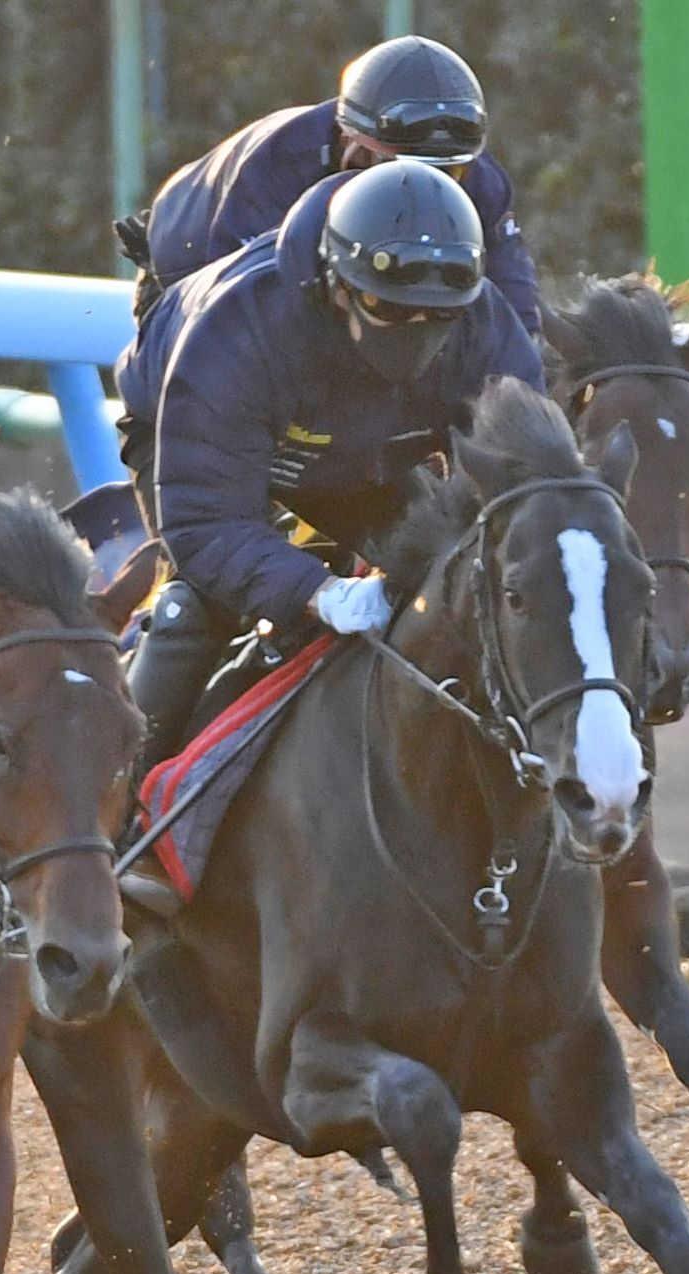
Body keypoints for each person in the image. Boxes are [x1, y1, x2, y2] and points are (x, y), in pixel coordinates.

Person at [115, 159, 544, 776]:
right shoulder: (238, 330)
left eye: (438, 316)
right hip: (204, 442)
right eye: (388, 308)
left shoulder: (486, 325)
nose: (416, 329)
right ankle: (119, 813)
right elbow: (205, 521)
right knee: (195, 611)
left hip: (366, 452)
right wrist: (316, 591)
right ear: (336, 287)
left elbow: (527, 488)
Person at [125, 34, 539, 337]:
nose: (426, 190)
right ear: (351, 143)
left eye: (450, 173)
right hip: (191, 273)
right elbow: (245, 316)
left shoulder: (483, 184)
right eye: (399, 169)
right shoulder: (276, 170)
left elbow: (515, 309)